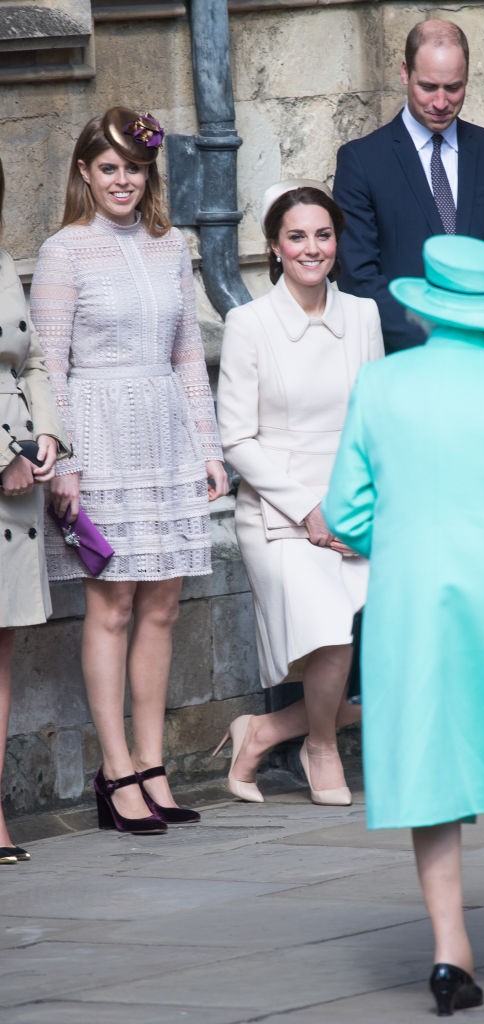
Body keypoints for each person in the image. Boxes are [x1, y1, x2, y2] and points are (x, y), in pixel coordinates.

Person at [323, 234, 484, 1013]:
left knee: (429, 764)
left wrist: (403, 547)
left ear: (429, 303)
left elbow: (345, 510)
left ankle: (449, 955)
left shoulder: (381, 383)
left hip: (412, 599)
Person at [29, 108, 228, 836]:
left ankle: (152, 764)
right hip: (100, 432)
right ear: (85, 171)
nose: (122, 180)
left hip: (166, 430)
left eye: (134, 168)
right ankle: (114, 772)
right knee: (110, 604)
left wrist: (208, 449)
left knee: (163, 604)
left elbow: (186, 357)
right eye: (108, 167)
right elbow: (48, 364)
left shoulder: (170, 244)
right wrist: (65, 462)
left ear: (149, 175)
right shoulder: (65, 251)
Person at [215, 181, 384, 806]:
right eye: (297, 237)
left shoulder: (362, 315)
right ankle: (318, 746)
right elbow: (236, 437)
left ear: (336, 242)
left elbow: (374, 421)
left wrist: (356, 506)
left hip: (349, 504)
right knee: (332, 632)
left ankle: (262, 733)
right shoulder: (248, 323)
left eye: (322, 235)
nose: (311, 248)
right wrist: (308, 509)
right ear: (274, 247)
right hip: (277, 513)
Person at [333, 18, 484, 354]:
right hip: (402, 361)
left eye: (453, 87)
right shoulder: (362, 161)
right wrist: (440, 345)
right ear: (405, 73)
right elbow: (359, 276)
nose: (441, 103)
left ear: (467, 77)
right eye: (428, 87)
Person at [0, 157, 70, 863]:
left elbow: (33, 359)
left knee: (2, 653)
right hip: (3, 472)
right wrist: (6, 455)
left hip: (20, 482)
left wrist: (46, 433)